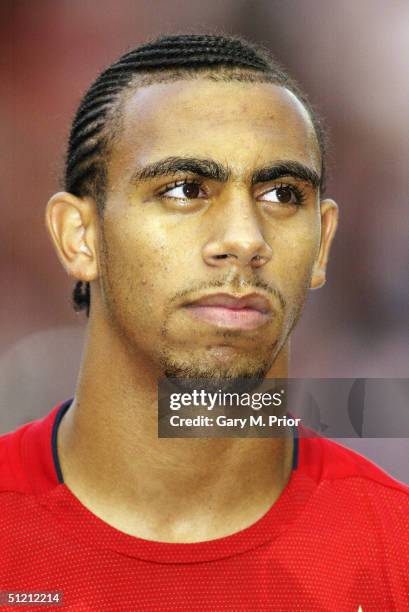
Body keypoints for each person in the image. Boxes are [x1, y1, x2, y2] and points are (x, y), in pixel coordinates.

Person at [1, 34, 408, 611]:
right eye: (185, 189)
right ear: (79, 236)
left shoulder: (396, 552)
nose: (244, 239)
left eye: (282, 194)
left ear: (323, 244)